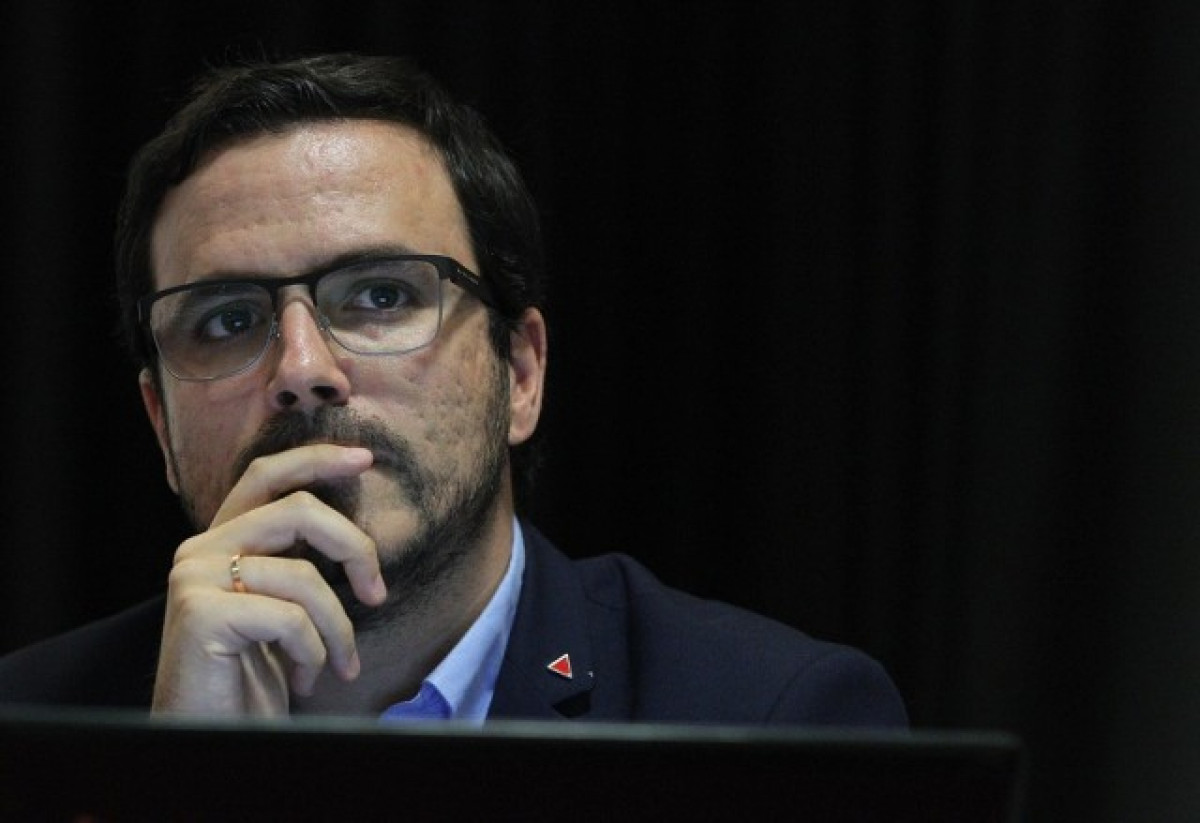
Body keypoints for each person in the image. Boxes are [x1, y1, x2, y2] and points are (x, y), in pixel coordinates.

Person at [0, 53, 906, 726]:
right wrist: (174, 784)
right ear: (160, 424)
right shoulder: (29, 728)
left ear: (521, 372)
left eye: (381, 296)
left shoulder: (769, 716)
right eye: (228, 319)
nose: (303, 369)